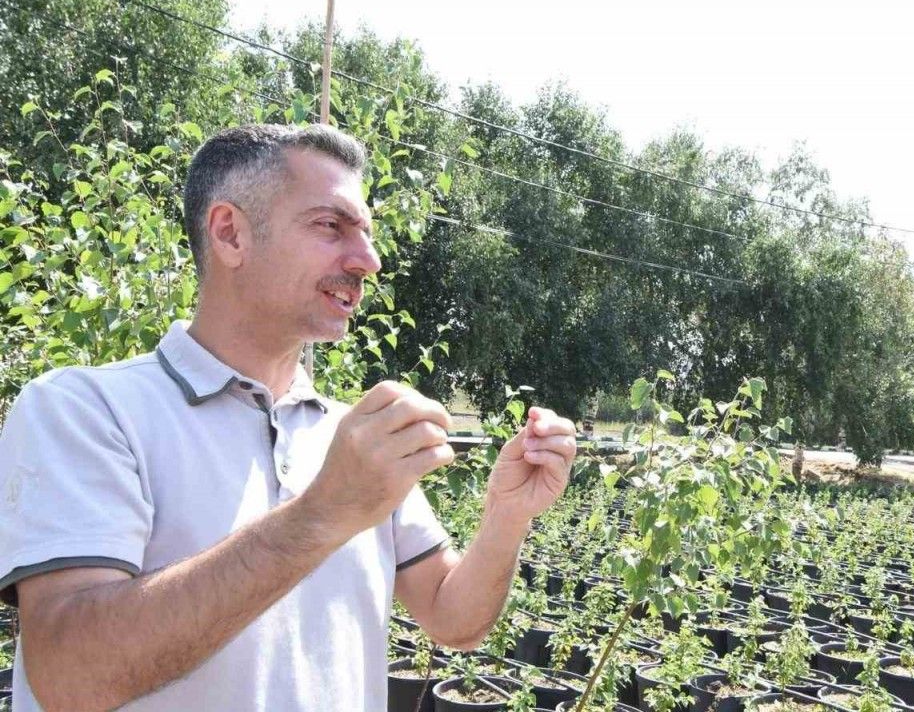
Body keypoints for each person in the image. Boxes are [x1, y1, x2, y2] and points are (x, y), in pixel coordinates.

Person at [0, 124, 576, 711]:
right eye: (330, 226)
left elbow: (455, 619)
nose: (369, 260)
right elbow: (68, 677)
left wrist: (506, 516)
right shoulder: (83, 410)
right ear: (231, 234)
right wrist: (323, 512)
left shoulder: (351, 439)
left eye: (367, 233)